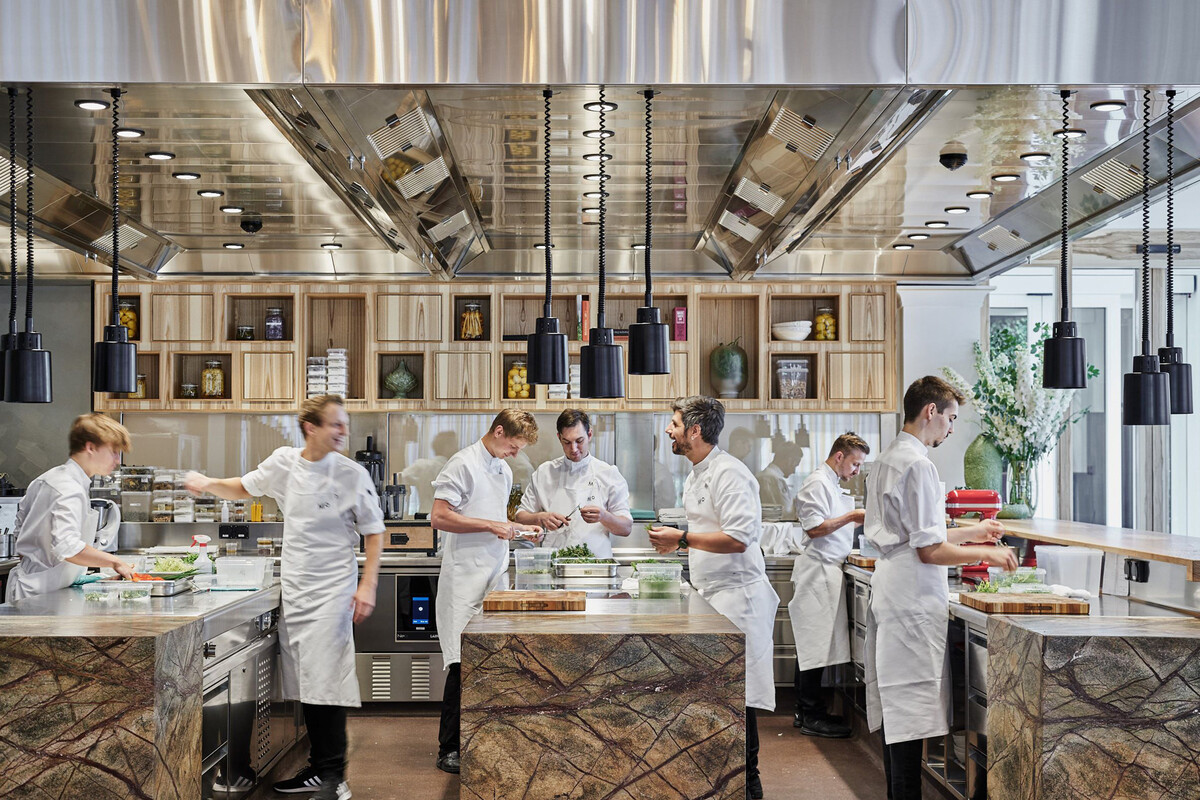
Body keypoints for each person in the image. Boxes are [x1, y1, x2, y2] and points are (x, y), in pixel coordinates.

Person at [185, 395, 384, 800]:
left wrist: (368, 585)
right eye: (335, 424)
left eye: (344, 424)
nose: (343, 431)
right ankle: (318, 769)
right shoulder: (284, 463)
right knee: (307, 683)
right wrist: (207, 484)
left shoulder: (351, 474)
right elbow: (244, 487)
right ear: (310, 428)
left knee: (326, 680)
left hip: (333, 591)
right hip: (296, 588)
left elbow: (374, 531)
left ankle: (334, 778)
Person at [864, 377, 1017, 800]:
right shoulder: (918, 464)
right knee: (909, 717)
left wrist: (976, 530)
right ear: (930, 411)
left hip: (896, 589)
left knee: (900, 715)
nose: (951, 429)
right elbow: (930, 550)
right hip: (911, 596)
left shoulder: (889, 457)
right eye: (950, 418)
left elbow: (922, 532)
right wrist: (988, 554)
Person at [648, 397, 778, 800]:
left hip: (739, 602)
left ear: (694, 431)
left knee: (741, 704)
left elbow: (739, 539)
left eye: (673, 424)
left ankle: (749, 788)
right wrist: (681, 545)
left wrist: (682, 539)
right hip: (713, 600)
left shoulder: (731, 474)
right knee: (718, 702)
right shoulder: (694, 474)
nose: (668, 430)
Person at [431, 409, 542, 774]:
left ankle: (480, 739)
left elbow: (494, 522)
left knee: (491, 659)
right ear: (498, 431)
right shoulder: (462, 463)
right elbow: (440, 517)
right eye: (514, 445)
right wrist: (495, 525)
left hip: (493, 577)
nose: (515, 453)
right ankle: (449, 748)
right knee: (461, 664)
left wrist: (524, 530)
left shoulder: (503, 468)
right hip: (463, 580)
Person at [788, 432, 870, 738]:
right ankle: (811, 715)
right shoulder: (817, 483)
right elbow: (814, 527)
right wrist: (851, 516)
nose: (856, 471)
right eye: (855, 463)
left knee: (813, 647)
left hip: (828, 572)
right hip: (817, 573)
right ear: (839, 456)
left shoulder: (830, 483)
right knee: (814, 647)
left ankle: (804, 710)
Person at [5, 414, 136, 602]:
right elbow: (67, 547)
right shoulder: (68, 488)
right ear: (90, 447)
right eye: (113, 451)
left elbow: (20, 527)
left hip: (42, 586)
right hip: (41, 596)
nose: (117, 460)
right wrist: (115, 562)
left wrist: (72, 577)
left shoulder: (50, 478)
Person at [514, 409, 632, 558]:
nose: (574, 449)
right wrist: (541, 517)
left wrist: (604, 516)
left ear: (589, 435)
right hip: (554, 565)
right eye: (567, 442)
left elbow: (626, 528)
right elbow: (520, 517)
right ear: (559, 438)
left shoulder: (609, 474)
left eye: (579, 441)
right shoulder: (544, 473)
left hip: (596, 566)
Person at [757, 440, 803, 515]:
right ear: (789, 460)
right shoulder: (773, 479)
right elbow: (786, 512)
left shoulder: (765, 476)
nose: (794, 471)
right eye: (795, 465)